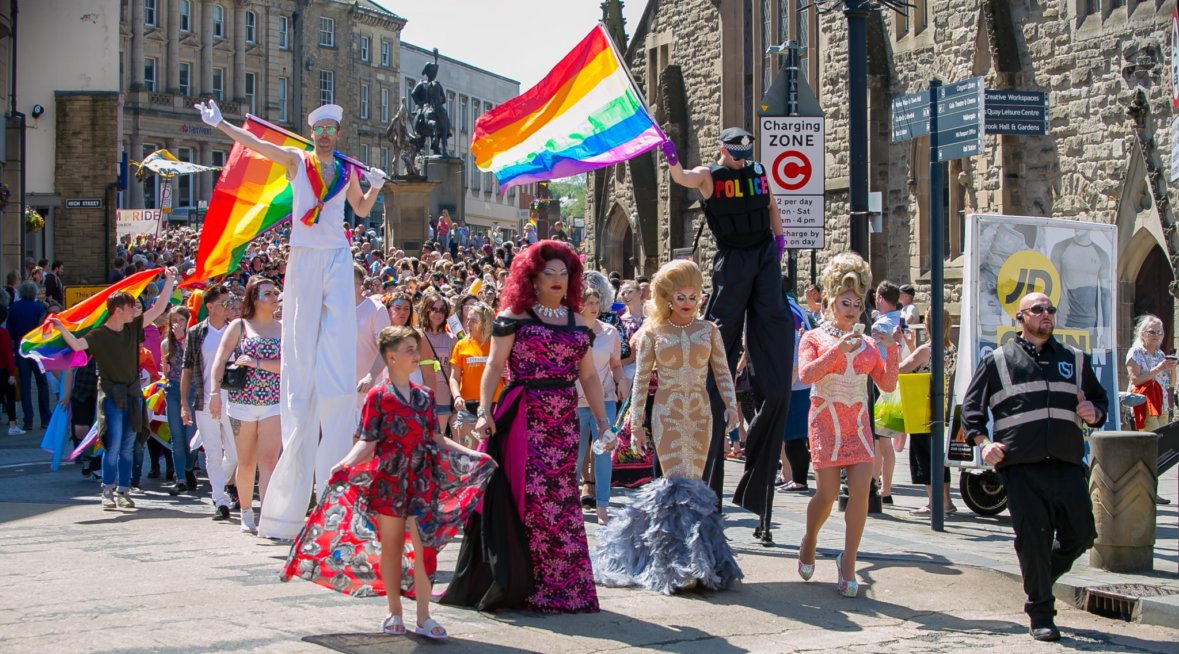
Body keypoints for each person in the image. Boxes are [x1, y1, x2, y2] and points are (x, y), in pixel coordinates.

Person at [195, 99, 386, 541]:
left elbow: (358, 209)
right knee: (300, 351)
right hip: (303, 255)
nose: (323, 135)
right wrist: (222, 124)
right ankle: (286, 507)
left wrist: (373, 186)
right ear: (311, 131)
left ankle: (336, 494)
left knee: (335, 356)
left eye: (329, 129)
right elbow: (258, 143)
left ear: (338, 133)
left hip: (337, 255)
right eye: (317, 128)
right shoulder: (297, 160)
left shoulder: (346, 170)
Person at [282, 326, 494, 639]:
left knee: (426, 549)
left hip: (422, 480)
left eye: (416, 348)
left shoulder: (425, 396)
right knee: (392, 548)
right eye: (409, 349)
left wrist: (475, 455)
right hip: (389, 481)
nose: (416, 354)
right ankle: (394, 611)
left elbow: (436, 438)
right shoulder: (377, 397)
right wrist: (345, 463)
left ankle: (424, 617)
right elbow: (368, 441)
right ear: (391, 357)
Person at [441, 240, 611, 613]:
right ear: (531, 278)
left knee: (561, 499)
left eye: (563, 273)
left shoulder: (578, 322)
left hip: (563, 420)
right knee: (529, 497)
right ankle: (522, 582)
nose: (556, 279)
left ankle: (563, 586)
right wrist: (484, 410)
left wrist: (602, 421)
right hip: (524, 415)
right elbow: (492, 367)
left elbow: (589, 378)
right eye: (548, 273)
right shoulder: (513, 318)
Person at [661, 128, 794, 543]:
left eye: (743, 154)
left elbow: (771, 205)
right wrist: (669, 153)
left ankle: (759, 472)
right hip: (733, 260)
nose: (739, 160)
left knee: (773, 330)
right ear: (723, 151)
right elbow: (682, 177)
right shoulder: (709, 174)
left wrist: (780, 239)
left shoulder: (758, 171)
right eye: (733, 154)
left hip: (763, 257)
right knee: (720, 337)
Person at [961, 292, 1106, 642]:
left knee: (1082, 534)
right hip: (1021, 468)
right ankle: (1041, 611)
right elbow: (971, 410)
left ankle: (1038, 578)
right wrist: (984, 443)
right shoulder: (997, 360)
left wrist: (1095, 412)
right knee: (1034, 540)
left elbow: (1099, 399)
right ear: (1020, 318)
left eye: (1050, 310)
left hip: (1067, 463)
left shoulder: (1075, 358)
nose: (1046, 314)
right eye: (1038, 310)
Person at [592, 260, 742, 593]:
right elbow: (640, 382)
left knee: (696, 485)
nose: (688, 302)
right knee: (675, 485)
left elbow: (722, 373)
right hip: (668, 414)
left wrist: (732, 406)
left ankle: (698, 561)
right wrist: (636, 426)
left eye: (693, 295)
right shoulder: (654, 333)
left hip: (701, 415)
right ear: (667, 298)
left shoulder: (710, 331)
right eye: (680, 297)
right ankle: (674, 563)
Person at [796, 253, 900, 598]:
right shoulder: (813, 338)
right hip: (825, 422)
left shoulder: (868, 343)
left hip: (857, 426)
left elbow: (886, 385)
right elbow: (806, 375)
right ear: (830, 302)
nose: (852, 309)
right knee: (826, 494)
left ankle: (849, 562)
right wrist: (836, 350)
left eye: (857, 303)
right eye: (845, 302)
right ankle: (809, 539)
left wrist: (893, 349)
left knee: (861, 493)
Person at [51, 268, 177, 510]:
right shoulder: (99, 335)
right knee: (115, 443)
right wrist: (61, 329)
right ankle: (107, 489)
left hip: (132, 394)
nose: (135, 309)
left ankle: (124, 491)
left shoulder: (132, 327)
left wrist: (169, 281)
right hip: (111, 396)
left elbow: (159, 309)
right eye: (131, 307)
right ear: (119, 310)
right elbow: (78, 344)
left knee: (129, 445)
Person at [209, 276, 283, 534]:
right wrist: (214, 393)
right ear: (254, 298)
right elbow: (219, 361)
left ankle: (268, 514)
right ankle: (245, 512)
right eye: (267, 293)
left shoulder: (283, 328)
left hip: (274, 402)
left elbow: (289, 366)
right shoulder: (239, 326)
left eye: (275, 292)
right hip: (242, 403)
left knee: (270, 460)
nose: (274, 297)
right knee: (247, 460)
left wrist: (258, 363)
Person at [180, 284, 240, 520]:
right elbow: (187, 368)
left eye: (229, 302)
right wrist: (184, 403)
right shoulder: (196, 333)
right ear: (210, 307)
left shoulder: (235, 331)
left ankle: (218, 485)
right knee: (213, 452)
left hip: (233, 400)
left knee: (235, 454)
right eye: (224, 303)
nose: (228, 307)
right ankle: (220, 499)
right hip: (204, 400)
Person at [897, 307, 956, 514]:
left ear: (927, 325)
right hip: (941, 406)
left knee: (923, 455)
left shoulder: (926, 350)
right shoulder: (950, 348)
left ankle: (933, 502)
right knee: (938, 455)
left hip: (922, 405)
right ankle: (946, 501)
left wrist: (894, 346)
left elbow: (901, 368)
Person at [575, 280, 623, 524]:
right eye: (588, 303)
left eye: (596, 302)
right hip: (576, 400)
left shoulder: (609, 332)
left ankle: (603, 505)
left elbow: (616, 364)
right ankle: (570, 505)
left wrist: (622, 381)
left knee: (604, 452)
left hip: (605, 399)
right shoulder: (571, 330)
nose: (594, 307)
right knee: (575, 453)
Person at [449, 302, 499, 447]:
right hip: (468, 410)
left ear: (485, 323)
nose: (468, 323)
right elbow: (454, 377)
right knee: (469, 459)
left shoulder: (497, 345)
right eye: (468, 319)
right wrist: (457, 396)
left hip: (495, 408)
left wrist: (506, 372)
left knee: (495, 457)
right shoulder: (461, 345)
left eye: (473, 320)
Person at [872, 280, 904, 505]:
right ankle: (886, 489)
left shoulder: (879, 327)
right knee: (886, 442)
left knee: (876, 441)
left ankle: (874, 485)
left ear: (881, 298)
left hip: (879, 385)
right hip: (896, 386)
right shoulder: (902, 322)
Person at [162, 306, 198, 496]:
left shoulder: (192, 340)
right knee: (176, 436)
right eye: (174, 321)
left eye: (181, 320)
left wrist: (183, 340)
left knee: (189, 437)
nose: (177, 324)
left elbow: (193, 362)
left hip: (191, 390)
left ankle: (189, 468)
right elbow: (165, 372)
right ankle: (180, 478)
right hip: (173, 389)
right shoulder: (166, 344)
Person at [7, 281, 51, 431]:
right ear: (33, 293)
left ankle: (28, 420)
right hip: (37, 349)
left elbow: (10, 331)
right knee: (42, 383)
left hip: (21, 348)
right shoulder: (39, 308)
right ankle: (45, 418)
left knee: (25, 385)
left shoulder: (13, 308)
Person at [1125, 314, 1174, 432]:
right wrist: (1159, 368)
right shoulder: (1135, 352)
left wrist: (1173, 367)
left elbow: (1170, 384)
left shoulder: (1160, 354)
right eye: (1152, 332)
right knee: (1153, 442)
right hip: (1145, 405)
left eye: (1159, 332)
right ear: (1142, 333)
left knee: (1163, 445)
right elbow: (1135, 380)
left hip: (1162, 405)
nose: (1156, 335)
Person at [416, 291, 456, 435]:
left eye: (442, 311)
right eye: (434, 309)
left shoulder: (452, 339)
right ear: (426, 309)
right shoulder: (417, 336)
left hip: (442, 396)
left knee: (438, 438)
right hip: (419, 395)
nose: (438, 314)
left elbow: (454, 371)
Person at [354, 264, 392, 409]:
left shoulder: (376, 309)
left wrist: (371, 375)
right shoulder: (332, 310)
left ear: (361, 285)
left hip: (368, 392)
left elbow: (385, 347)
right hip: (340, 393)